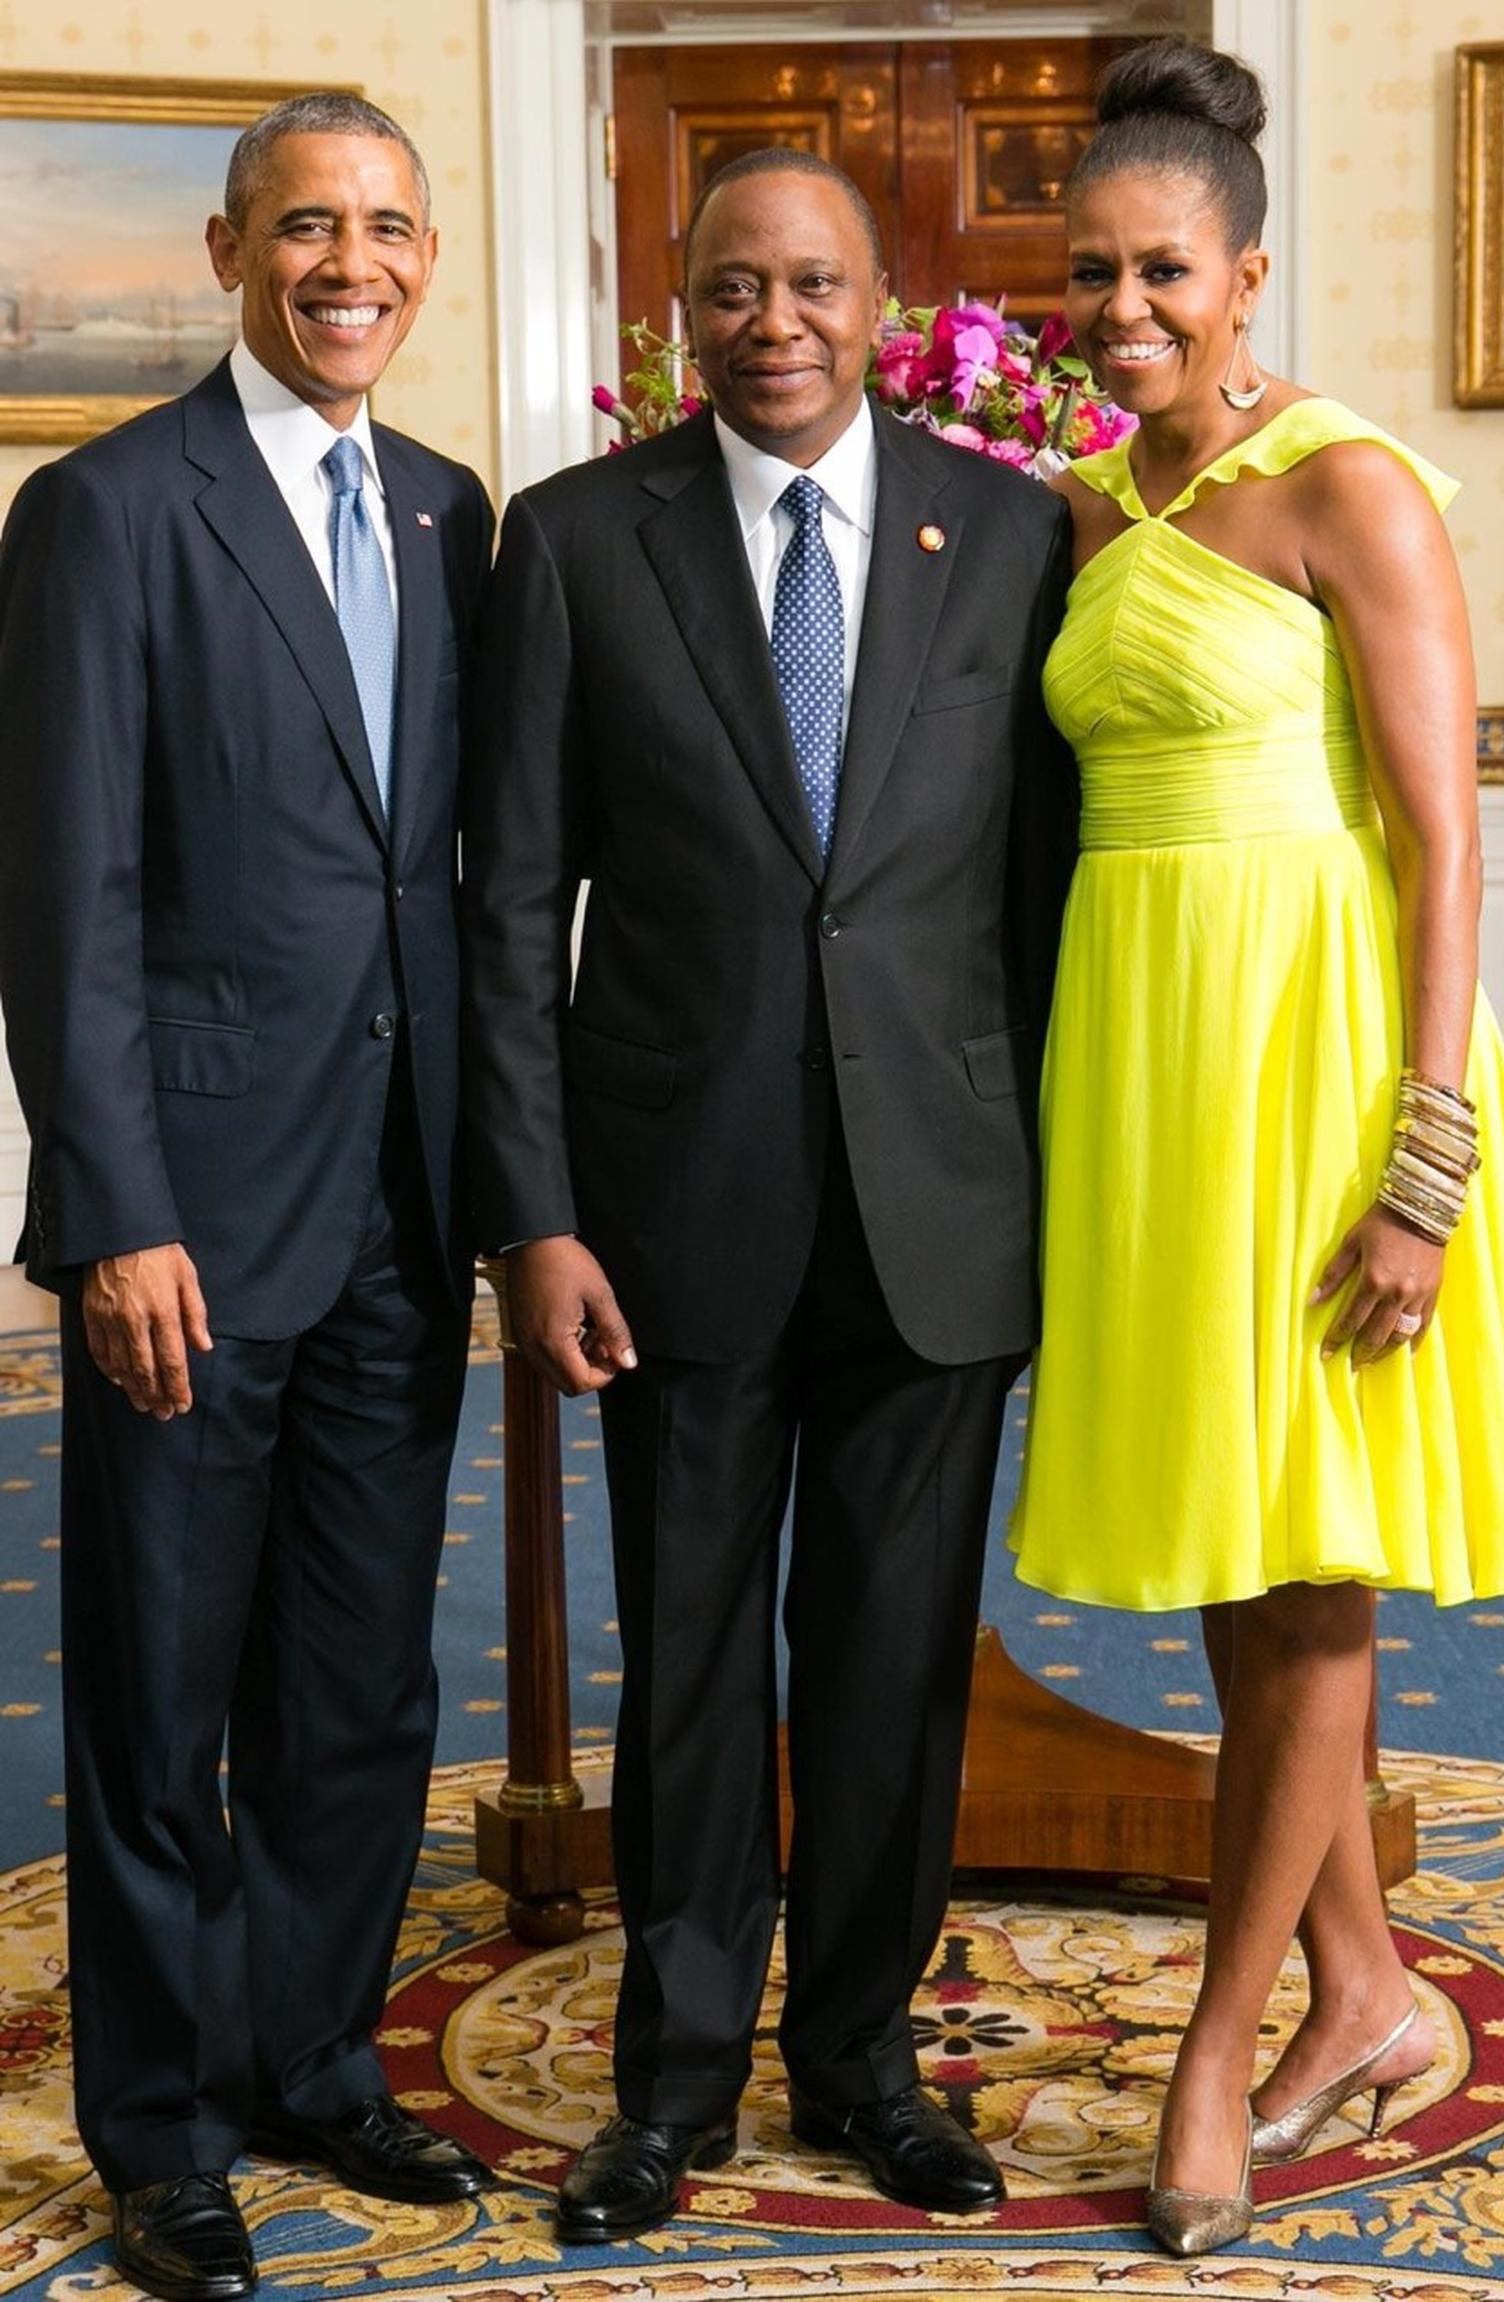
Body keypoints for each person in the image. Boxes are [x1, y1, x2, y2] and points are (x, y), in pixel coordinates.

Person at [462, 149, 1075, 2242]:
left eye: (815, 284)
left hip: (936, 1207)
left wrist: (1053, 1191)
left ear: (884, 304)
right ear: (680, 309)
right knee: (697, 1657)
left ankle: (868, 2063)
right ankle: (676, 2076)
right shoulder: (573, 543)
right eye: (735, 288)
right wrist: (534, 1212)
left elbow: (1038, 903)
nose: (776, 322)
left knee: (894, 1659)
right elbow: (509, 905)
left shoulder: (1010, 532)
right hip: (664, 1218)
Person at [1008, 37, 1504, 2260]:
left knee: (1310, 1561)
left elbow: (1441, 847)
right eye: (1093, 280)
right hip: (1147, 1067)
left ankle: (1221, 2048)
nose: (1126, 312)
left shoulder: (1353, 486)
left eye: (1164, 275)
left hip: (1324, 1071)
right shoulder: (1086, 503)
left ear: (1242, 268)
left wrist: (1421, 1169)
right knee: (1245, 1546)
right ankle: (1372, 1985)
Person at [0, 92, 497, 2302]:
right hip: (188, 1216)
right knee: (158, 1689)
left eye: (389, 226)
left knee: (358, 1685)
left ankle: (311, 2052)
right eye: (310, 225)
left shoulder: (452, 509)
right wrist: (111, 1209)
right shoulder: (106, 513)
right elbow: (67, 896)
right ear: (227, 253)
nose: (352, 265)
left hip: (406, 1198)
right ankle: (163, 2124)